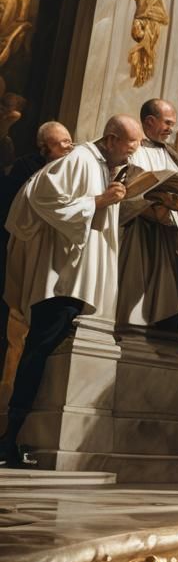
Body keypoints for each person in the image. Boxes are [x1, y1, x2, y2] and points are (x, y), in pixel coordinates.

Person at [0, 116, 143, 465]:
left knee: (46, 348)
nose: (131, 154)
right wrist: (98, 201)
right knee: (38, 350)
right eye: (129, 146)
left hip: (76, 276)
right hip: (59, 276)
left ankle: (17, 436)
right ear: (111, 139)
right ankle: (10, 438)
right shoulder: (78, 159)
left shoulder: (102, 165)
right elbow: (39, 197)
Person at [117, 99, 178, 336]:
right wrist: (151, 208)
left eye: (173, 124)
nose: (171, 129)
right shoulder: (131, 151)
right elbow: (120, 192)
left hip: (168, 240)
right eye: (167, 123)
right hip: (136, 237)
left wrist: (176, 207)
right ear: (150, 121)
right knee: (132, 302)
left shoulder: (173, 157)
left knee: (167, 303)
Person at [0, 121, 73, 374]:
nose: (69, 146)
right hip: (24, 247)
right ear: (44, 148)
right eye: (62, 142)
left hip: (52, 254)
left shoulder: (71, 169)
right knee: (16, 322)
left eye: (69, 140)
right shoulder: (27, 168)